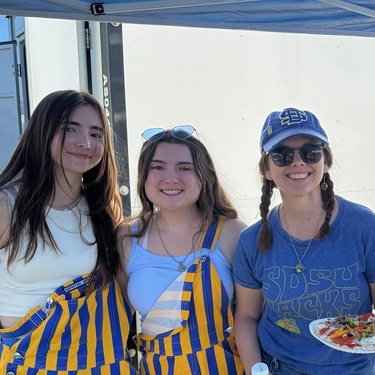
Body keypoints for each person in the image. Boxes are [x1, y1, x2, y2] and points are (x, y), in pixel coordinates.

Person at [233, 108, 375, 375]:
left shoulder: (363, 226)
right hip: (280, 367)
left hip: (352, 369)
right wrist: (256, 370)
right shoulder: (251, 241)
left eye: (310, 152)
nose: (297, 162)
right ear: (267, 169)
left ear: (326, 161)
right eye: (282, 155)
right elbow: (246, 316)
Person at [0, 89, 135, 374]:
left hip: (99, 362)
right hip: (28, 362)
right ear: (42, 131)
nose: (85, 142)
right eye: (69, 129)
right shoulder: (7, 205)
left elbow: (122, 290)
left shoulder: (104, 208)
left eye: (96, 134)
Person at [117, 125, 246, 375]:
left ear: (203, 175)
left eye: (184, 168)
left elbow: (254, 318)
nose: (171, 178)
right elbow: (119, 322)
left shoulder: (233, 234)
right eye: (158, 167)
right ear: (144, 176)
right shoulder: (127, 238)